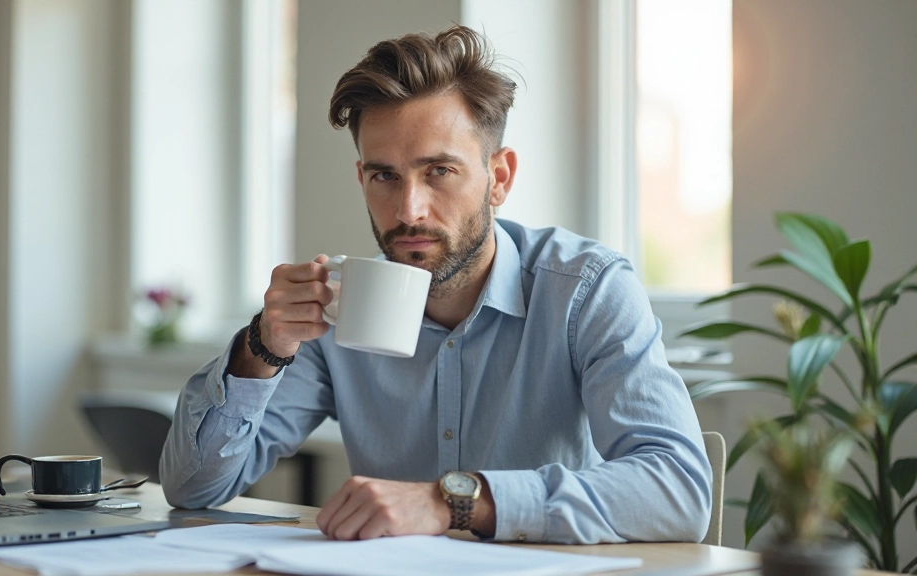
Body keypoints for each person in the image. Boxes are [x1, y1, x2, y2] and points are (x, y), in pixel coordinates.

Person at [160, 25, 711, 544]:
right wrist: (262, 347)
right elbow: (193, 490)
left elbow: (678, 490)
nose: (408, 209)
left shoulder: (586, 291)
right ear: (362, 178)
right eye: (385, 175)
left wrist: (453, 502)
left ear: (499, 178)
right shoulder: (335, 304)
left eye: (439, 172)